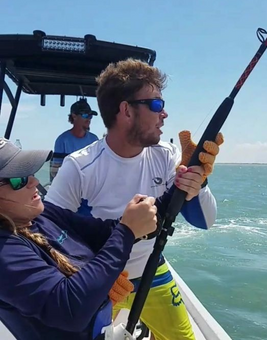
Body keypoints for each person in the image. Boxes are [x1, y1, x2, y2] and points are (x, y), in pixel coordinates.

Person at [46, 59, 224, 340]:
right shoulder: (79, 168)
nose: (164, 113)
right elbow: (45, 233)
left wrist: (198, 182)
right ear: (126, 110)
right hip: (98, 280)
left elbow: (206, 221)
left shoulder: (165, 155)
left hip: (152, 268)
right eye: (155, 104)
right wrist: (84, 276)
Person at [0, 138, 162, 340]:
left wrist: (175, 193)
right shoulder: (4, 251)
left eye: (30, 172)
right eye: (19, 179)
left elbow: (103, 233)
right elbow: (69, 309)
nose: (34, 182)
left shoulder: (40, 214)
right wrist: (127, 232)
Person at [50, 98, 99, 179]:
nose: (88, 119)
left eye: (90, 116)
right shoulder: (62, 140)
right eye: (85, 115)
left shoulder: (94, 139)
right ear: (74, 116)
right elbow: (55, 171)